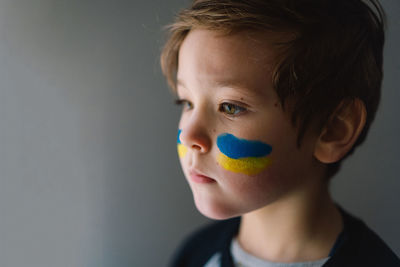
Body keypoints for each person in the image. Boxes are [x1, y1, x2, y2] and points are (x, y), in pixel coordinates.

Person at [160, 0, 400, 266]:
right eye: (187, 102)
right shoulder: (195, 254)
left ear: (332, 130)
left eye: (230, 107)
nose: (189, 136)